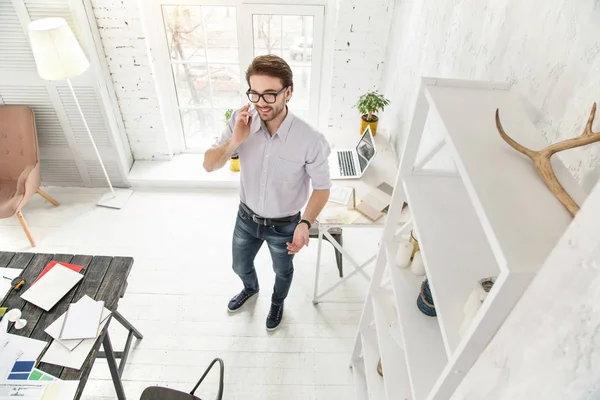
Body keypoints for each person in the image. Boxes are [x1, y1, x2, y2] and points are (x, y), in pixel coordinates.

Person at [203, 55, 331, 331]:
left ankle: (277, 302)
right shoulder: (241, 122)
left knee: (282, 272)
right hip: (246, 219)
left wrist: (305, 224)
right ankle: (250, 288)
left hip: (285, 225)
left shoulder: (311, 140)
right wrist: (236, 140)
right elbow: (209, 165)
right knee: (239, 266)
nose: (260, 102)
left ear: (288, 92)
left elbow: (322, 188)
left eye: (270, 94)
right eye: (255, 93)